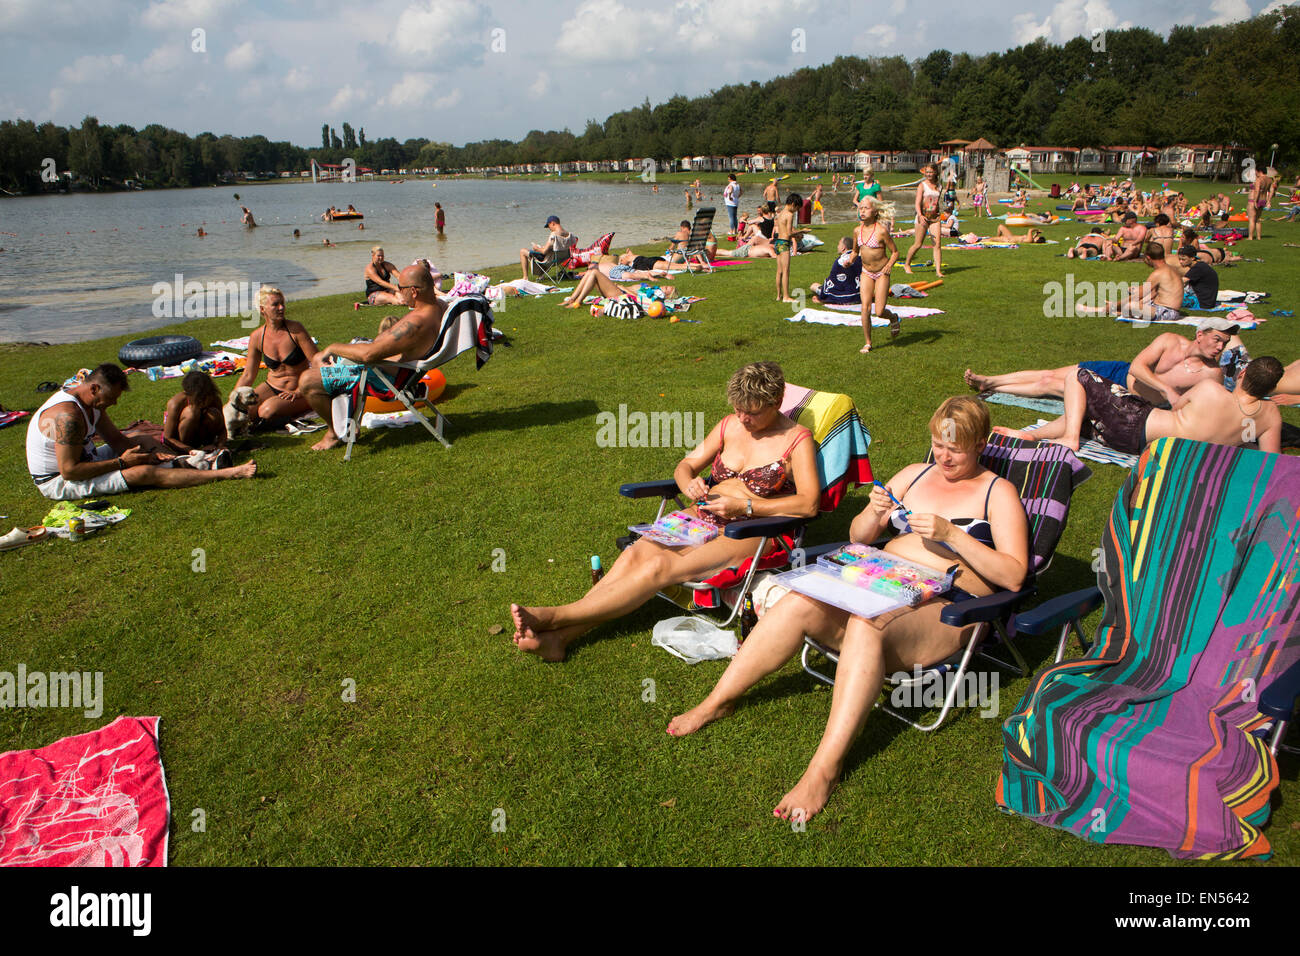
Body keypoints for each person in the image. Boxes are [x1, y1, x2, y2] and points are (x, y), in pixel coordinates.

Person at [668, 396, 1029, 822]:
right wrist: (875, 516)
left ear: (981, 444)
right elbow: (859, 536)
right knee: (798, 600)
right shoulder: (914, 475)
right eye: (937, 444)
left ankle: (824, 769)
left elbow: (1014, 576)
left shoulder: (997, 492)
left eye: (956, 448)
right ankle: (718, 701)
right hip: (881, 581)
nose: (944, 456)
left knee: (866, 626)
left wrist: (953, 534)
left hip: (949, 607)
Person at [510, 362, 820, 662]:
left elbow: (809, 503)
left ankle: (553, 616)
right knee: (634, 555)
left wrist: (747, 505)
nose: (743, 418)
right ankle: (559, 640)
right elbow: (685, 466)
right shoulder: (730, 424)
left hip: (750, 530)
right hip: (702, 515)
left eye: (751, 412)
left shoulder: (796, 440)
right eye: (738, 409)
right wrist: (688, 485)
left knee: (659, 567)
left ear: (777, 402)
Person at [25, 364, 257, 501]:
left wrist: (149, 453)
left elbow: (116, 439)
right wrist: (122, 463)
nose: (114, 405)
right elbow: (69, 471)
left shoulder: (91, 402)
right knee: (143, 472)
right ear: (94, 388)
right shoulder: (68, 416)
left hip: (86, 459)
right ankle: (226, 473)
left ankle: (188, 461)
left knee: (143, 439)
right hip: (57, 481)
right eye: (111, 399)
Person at [994, 356, 1283, 456]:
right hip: (1138, 447)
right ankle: (1034, 436)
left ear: (1242, 374)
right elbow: (1271, 459)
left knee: (1077, 377)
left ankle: (1069, 439)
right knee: (1083, 414)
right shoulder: (1270, 415)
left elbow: (1178, 408)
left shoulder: (1211, 389)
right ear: (1270, 389)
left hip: (1136, 422)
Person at [297, 263, 449, 451]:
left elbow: (368, 355)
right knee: (324, 365)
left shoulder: (417, 322)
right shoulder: (439, 307)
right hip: (401, 371)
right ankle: (347, 421)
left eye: (400, 288)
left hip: (385, 378)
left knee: (307, 381)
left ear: (414, 291)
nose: (399, 292)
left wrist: (332, 348)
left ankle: (335, 432)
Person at [233, 286, 320, 428]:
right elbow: (248, 374)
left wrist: (299, 391)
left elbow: (317, 362)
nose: (281, 308)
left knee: (267, 411)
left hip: (300, 389)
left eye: (282, 304)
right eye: (275, 305)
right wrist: (234, 400)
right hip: (272, 385)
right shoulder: (257, 337)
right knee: (243, 411)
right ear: (262, 309)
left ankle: (278, 418)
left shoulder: (295, 330)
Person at [1076, 243, 1185, 323]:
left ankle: (1104, 310)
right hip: (1164, 309)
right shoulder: (1171, 269)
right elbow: (1151, 295)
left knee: (1130, 305)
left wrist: (1115, 304)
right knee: (1134, 301)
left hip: (1167, 312)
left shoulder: (1158, 273)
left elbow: (1137, 297)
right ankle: (1107, 309)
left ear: (1148, 258)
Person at [855, 196, 899, 352]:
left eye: (866, 208)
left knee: (879, 311)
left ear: (875, 211)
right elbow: (855, 251)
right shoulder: (856, 231)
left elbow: (895, 252)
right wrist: (850, 259)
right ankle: (868, 342)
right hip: (866, 272)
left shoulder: (881, 231)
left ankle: (893, 317)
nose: (863, 211)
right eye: (861, 208)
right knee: (865, 308)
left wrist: (889, 265)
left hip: (881, 273)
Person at [559, 256, 674, 308]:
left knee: (594, 272)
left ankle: (578, 302)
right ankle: (572, 299)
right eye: (668, 286)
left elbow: (637, 298)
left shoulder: (652, 297)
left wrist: (623, 288)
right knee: (589, 273)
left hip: (620, 294)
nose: (666, 286)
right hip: (618, 289)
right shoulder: (649, 287)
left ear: (667, 295)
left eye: (668, 289)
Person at [163, 371, 227, 453]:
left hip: (203, 437)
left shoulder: (214, 399)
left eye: (205, 397)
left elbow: (222, 428)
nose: (203, 402)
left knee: (214, 413)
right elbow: (168, 438)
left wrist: (220, 446)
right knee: (191, 412)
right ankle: (188, 447)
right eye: (199, 399)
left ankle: (208, 445)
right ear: (188, 394)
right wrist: (190, 450)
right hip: (183, 441)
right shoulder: (176, 403)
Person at [902, 164, 943, 279]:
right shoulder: (922, 185)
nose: (928, 174)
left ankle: (938, 271)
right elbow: (917, 202)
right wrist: (920, 215)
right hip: (922, 217)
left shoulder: (939, 185)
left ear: (935, 172)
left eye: (931, 172)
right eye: (927, 172)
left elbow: (937, 202)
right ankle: (907, 264)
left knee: (937, 244)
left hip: (935, 218)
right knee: (918, 244)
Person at [518, 215, 576, 279]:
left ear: (552, 223)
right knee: (540, 250)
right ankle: (541, 275)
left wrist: (536, 248)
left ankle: (525, 277)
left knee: (522, 251)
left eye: (549, 226)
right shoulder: (569, 234)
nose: (549, 229)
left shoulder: (554, 234)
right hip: (562, 258)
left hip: (550, 260)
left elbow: (544, 251)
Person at [810, 236, 862, 305]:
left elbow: (832, 282)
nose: (837, 247)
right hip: (859, 295)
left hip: (845, 297)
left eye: (839, 244)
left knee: (813, 286)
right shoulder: (860, 258)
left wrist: (821, 298)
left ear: (843, 248)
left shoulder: (840, 261)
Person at [1174, 246, 1220, 311]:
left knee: (1169, 298)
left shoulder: (1198, 268)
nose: (1181, 262)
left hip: (1202, 303)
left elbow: (1181, 282)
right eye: (1179, 259)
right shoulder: (1200, 265)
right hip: (1206, 301)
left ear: (1192, 258)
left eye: (1183, 259)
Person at [773, 193, 800, 303]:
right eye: (797, 208)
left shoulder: (781, 213)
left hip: (778, 242)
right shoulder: (789, 214)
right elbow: (788, 233)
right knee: (785, 271)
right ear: (793, 204)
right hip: (784, 243)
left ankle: (779, 295)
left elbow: (783, 230)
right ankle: (786, 297)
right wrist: (800, 233)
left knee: (779, 271)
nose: (796, 211)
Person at [1247, 166, 1275, 241]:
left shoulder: (1259, 179)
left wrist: (1255, 201)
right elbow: (1272, 190)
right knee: (1258, 219)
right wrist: (1269, 200)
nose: (1255, 173)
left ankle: (1250, 237)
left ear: (1259, 171)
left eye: (1256, 171)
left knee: (1252, 219)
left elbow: (1257, 190)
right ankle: (1259, 237)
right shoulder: (1269, 179)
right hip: (1263, 200)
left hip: (1254, 200)